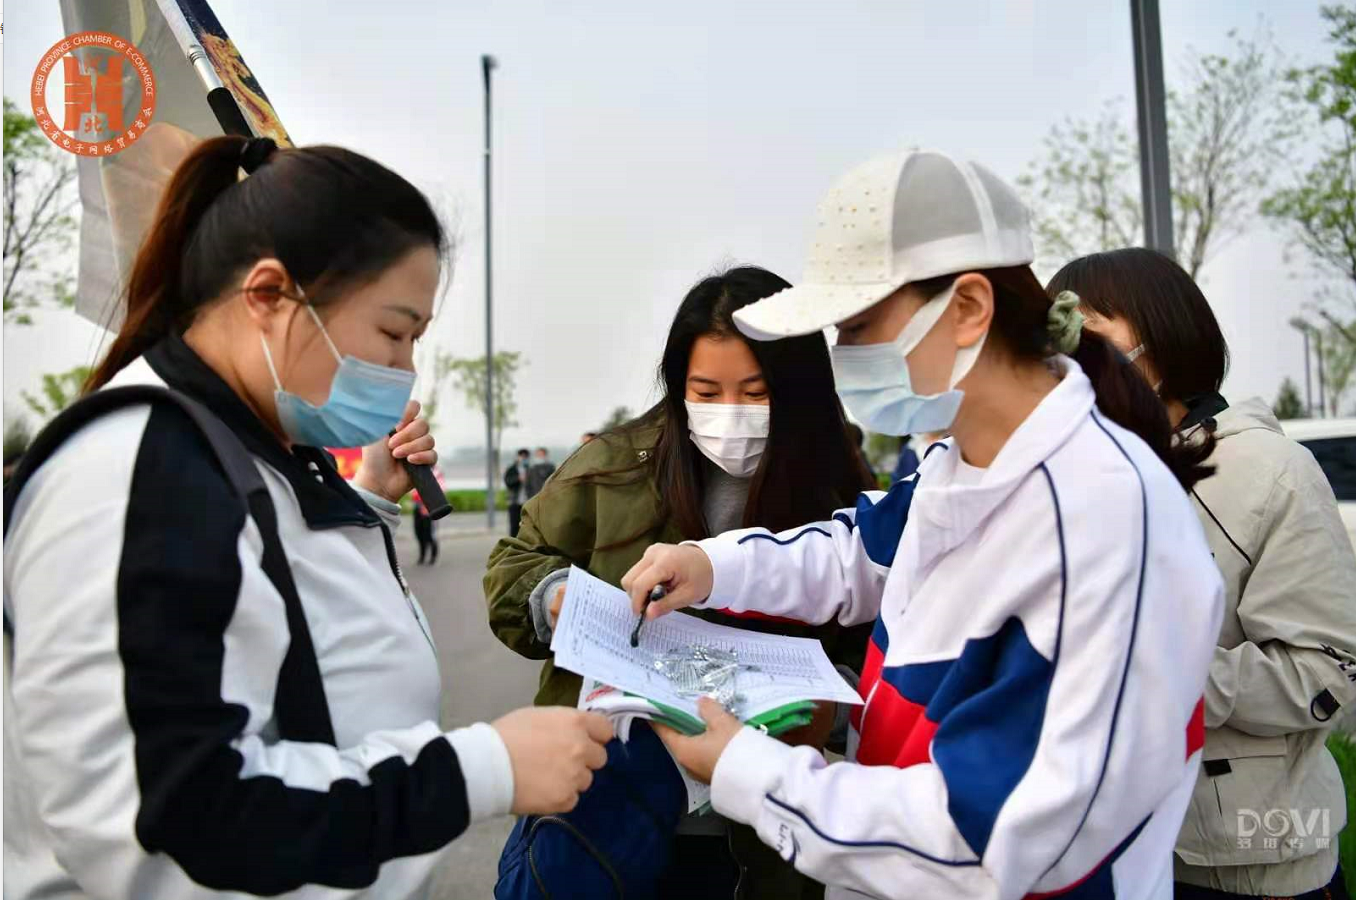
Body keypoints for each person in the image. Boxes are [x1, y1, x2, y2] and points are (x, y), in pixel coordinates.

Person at [2, 135, 612, 900]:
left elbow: (281, 602)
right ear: (268, 295)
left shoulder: (246, 447)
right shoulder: (143, 468)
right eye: (393, 332)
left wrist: (371, 504)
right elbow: (168, 832)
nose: (404, 370)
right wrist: (482, 768)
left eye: (416, 341)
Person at [621, 150, 1225, 900]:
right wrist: (712, 565)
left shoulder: (1101, 520)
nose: (844, 356)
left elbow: (994, 841)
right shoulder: (951, 461)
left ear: (969, 307)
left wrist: (747, 768)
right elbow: (857, 555)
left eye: (861, 325)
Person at [484, 265, 877, 899]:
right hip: (604, 807)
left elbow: (876, 655)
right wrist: (556, 599)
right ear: (677, 385)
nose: (731, 414)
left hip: (762, 830)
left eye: (756, 392)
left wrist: (828, 715)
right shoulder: (613, 466)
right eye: (707, 390)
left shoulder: (839, 495)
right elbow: (515, 564)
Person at [1049, 247, 1356, 900]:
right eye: (1056, 340)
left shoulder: (1270, 472)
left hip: (1243, 866)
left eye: (1091, 335)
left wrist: (1148, 672)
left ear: (1162, 339)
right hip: (1104, 850)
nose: (1068, 360)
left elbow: (1326, 673)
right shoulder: (1084, 473)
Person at [504, 447, 530, 537]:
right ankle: (513, 544)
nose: (523, 458)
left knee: (526, 526)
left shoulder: (530, 469)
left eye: (525, 456)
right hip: (514, 502)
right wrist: (518, 479)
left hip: (527, 502)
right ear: (517, 457)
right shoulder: (511, 469)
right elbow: (508, 482)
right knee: (514, 525)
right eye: (521, 456)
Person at [413, 490, 438, 565]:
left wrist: (428, 505)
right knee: (419, 535)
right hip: (417, 509)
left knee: (429, 535)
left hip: (427, 509)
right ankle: (422, 556)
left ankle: (433, 557)